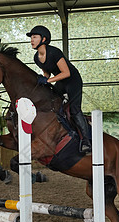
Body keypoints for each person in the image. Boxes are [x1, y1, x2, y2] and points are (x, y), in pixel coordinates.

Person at [26, 25, 92, 153]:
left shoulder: (54, 52)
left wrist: (48, 80)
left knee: (74, 109)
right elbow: (47, 73)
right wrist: (43, 80)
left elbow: (66, 72)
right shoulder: (36, 57)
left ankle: (86, 141)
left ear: (43, 39)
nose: (31, 40)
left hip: (72, 80)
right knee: (52, 102)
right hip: (60, 81)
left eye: (34, 37)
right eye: (31, 38)